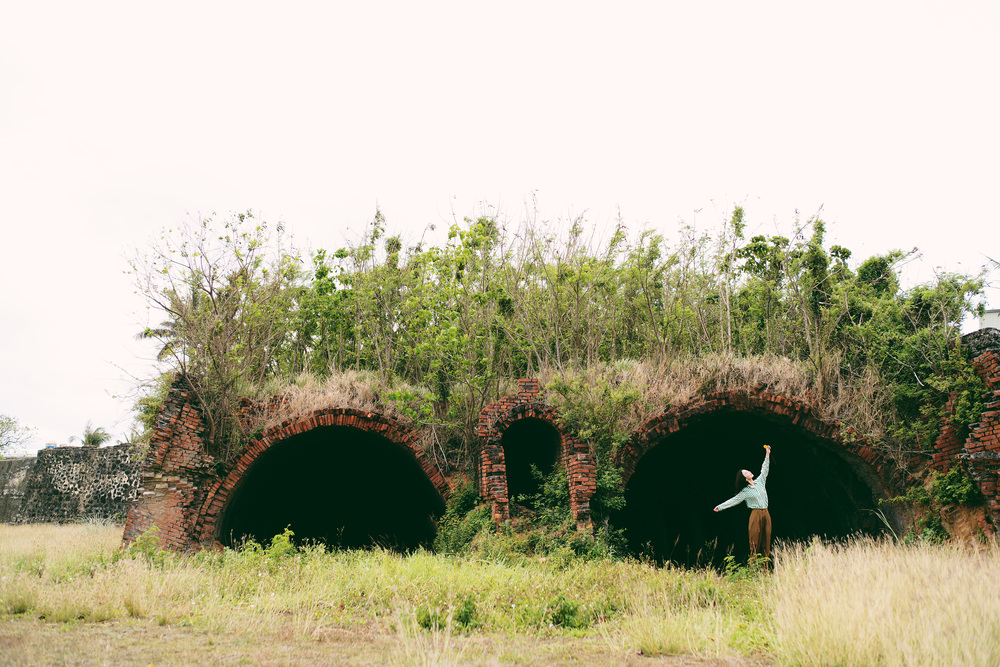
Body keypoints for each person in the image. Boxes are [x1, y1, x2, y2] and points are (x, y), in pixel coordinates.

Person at [714, 445, 772, 562]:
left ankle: (765, 569)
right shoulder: (745, 492)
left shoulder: (760, 481)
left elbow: (764, 469)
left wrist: (767, 454)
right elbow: (733, 500)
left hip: (766, 513)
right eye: (746, 472)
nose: (749, 472)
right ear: (744, 478)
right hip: (755, 515)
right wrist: (720, 507)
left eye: (748, 471)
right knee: (755, 542)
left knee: (766, 541)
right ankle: (753, 567)